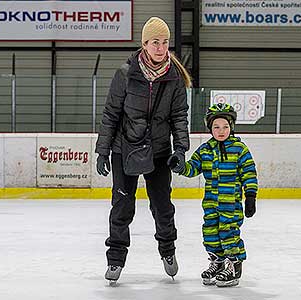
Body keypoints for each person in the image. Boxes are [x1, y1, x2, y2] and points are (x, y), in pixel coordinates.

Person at [95, 16, 191, 284]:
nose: (161, 48)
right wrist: (103, 150)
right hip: (124, 149)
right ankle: (115, 258)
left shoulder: (174, 78)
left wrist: (181, 149)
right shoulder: (125, 74)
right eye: (155, 42)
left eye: (165, 42)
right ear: (145, 44)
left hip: (160, 150)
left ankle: (167, 251)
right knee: (122, 205)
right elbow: (111, 114)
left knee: (162, 206)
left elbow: (179, 117)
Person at [168, 103, 258, 287]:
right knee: (210, 232)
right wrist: (179, 166)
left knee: (229, 233)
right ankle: (217, 262)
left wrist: (250, 196)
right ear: (210, 128)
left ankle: (234, 265)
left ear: (231, 127)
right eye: (216, 127)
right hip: (210, 203)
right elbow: (193, 167)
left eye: (225, 126)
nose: (221, 130)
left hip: (230, 204)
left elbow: (249, 173)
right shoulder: (206, 149)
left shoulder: (240, 149)